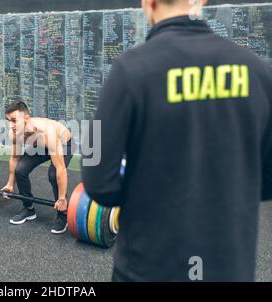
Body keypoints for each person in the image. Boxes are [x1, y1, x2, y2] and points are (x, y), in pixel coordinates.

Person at [82, 0, 272, 281]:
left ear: (148, 2)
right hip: (229, 269)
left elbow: (96, 175)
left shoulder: (128, 70)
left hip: (147, 269)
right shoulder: (257, 70)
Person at [1, 101, 76, 234]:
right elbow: (14, 158)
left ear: (26, 118)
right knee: (20, 170)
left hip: (64, 144)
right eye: (8, 121)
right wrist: (10, 184)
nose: (10, 125)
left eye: (14, 121)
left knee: (53, 174)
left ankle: (62, 214)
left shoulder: (47, 132)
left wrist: (62, 198)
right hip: (39, 146)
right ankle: (28, 208)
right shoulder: (15, 133)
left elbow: (61, 170)